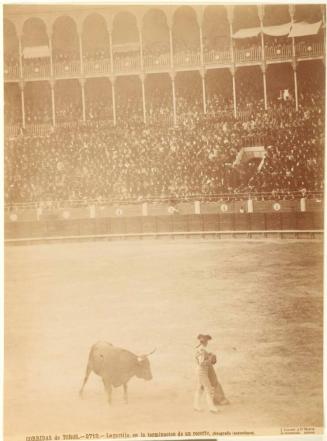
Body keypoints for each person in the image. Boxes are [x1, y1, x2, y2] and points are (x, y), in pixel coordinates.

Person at [194, 334, 219, 413]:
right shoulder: (201, 350)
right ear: (205, 342)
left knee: (200, 389)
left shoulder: (200, 349)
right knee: (209, 389)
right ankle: (211, 407)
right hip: (202, 372)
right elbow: (201, 363)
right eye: (207, 341)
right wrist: (210, 358)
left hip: (200, 371)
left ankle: (196, 406)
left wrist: (209, 356)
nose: (207, 342)